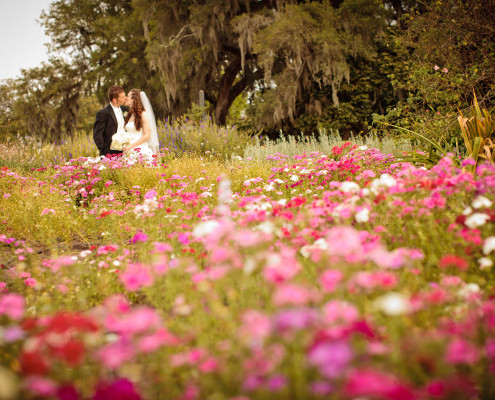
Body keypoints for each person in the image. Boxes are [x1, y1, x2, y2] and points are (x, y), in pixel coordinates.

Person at [122, 88, 160, 158]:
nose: (126, 98)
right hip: (128, 149)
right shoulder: (130, 114)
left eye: (128, 96)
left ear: (134, 99)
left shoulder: (143, 114)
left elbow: (147, 135)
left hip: (139, 149)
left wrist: (132, 146)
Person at [93, 85, 127, 157]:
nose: (125, 98)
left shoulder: (125, 110)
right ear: (114, 100)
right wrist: (105, 151)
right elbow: (97, 135)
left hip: (125, 151)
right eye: (122, 97)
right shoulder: (103, 113)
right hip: (110, 154)